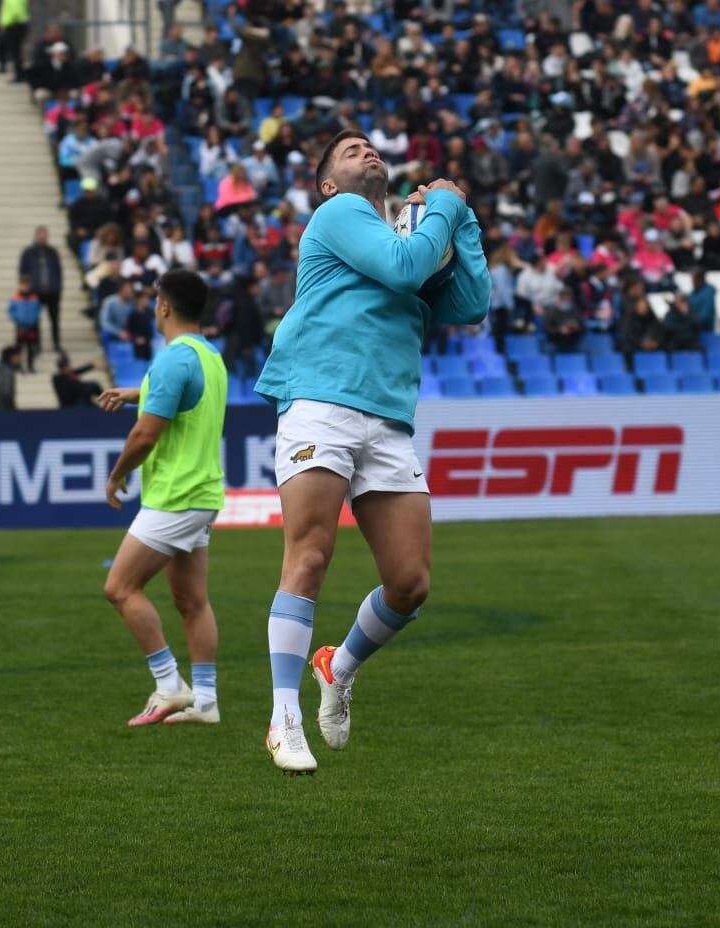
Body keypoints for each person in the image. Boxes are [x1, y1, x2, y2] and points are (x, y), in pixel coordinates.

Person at [253, 131, 490, 774]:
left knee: (410, 583)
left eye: (372, 147)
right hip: (320, 399)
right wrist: (442, 207)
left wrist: (457, 215)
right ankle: (283, 718)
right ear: (328, 183)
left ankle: (338, 667)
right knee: (309, 555)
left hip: (386, 417)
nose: (368, 152)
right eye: (350, 150)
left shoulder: (406, 233)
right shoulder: (339, 215)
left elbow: (470, 303)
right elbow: (409, 270)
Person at [97, 269, 227, 726]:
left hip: (175, 495)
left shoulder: (173, 359)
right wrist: (139, 393)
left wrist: (116, 476)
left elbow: (145, 435)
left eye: (156, 302)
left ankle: (170, 685)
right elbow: (183, 397)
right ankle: (206, 704)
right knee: (192, 601)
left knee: (120, 587)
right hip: (202, 492)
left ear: (165, 307)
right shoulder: (208, 355)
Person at [19, 226, 63, 350]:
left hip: (52, 291)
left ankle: (56, 343)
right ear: (36, 236)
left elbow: (58, 271)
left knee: (54, 319)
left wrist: (58, 288)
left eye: (45, 236)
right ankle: (36, 344)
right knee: (35, 320)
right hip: (35, 291)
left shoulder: (52, 252)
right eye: (40, 235)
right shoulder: (29, 252)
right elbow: (23, 271)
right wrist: (26, 289)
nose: (43, 238)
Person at [8, 276, 42, 372]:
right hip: (21, 325)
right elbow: (11, 310)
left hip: (31, 326)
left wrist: (35, 318)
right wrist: (15, 317)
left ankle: (30, 366)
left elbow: (38, 308)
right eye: (23, 285)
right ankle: (19, 366)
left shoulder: (34, 297)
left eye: (27, 285)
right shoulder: (16, 297)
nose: (25, 287)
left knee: (31, 347)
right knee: (19, 348)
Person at [0, 345, 20, 409]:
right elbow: (6, 393)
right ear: (12, 357)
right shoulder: (7, 371)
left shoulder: (1, 368)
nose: (20, 359)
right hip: (2, 409)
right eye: (18, 356)